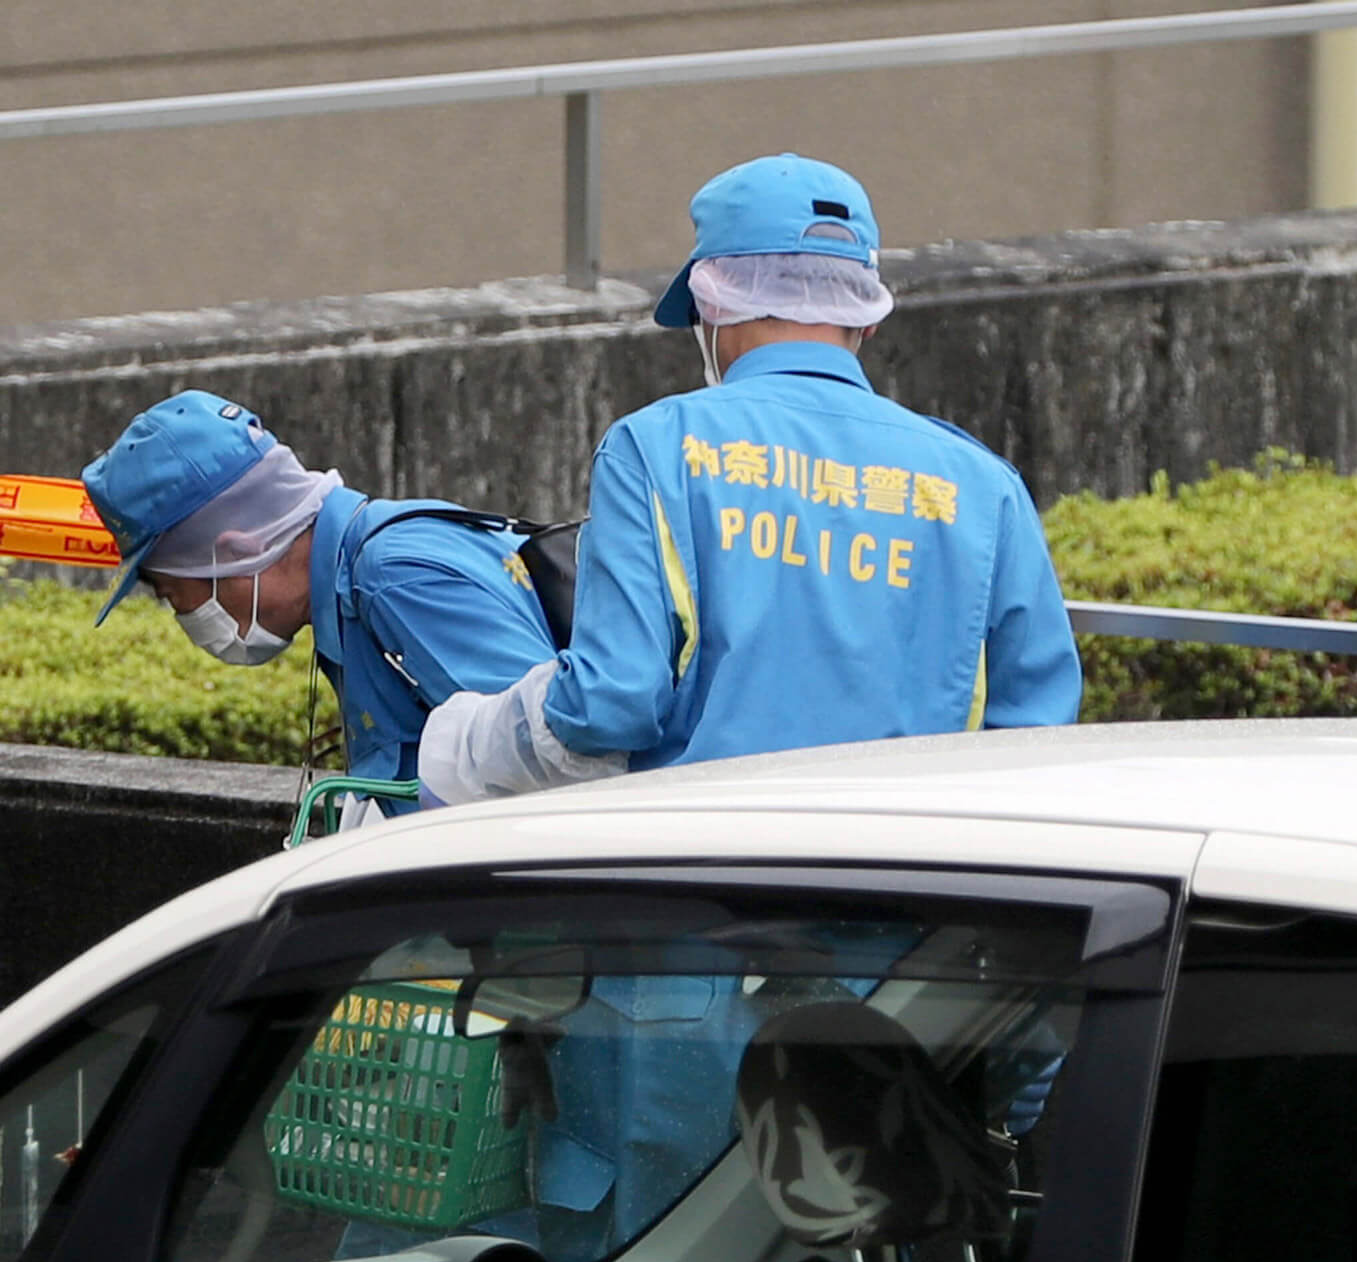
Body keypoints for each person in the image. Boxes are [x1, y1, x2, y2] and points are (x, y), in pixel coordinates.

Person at [416, 151, 1082, 805]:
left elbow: (611, 701)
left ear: (712, 305)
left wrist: (474, 739)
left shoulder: (656, 449)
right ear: (868, 317)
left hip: (704, 882)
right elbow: (1034, 736)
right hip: (911, 890)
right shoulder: (982, 487)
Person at [82, 390, 557, 811]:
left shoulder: (392, 577)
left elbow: (555, 747)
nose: (181, 615)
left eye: (171, 593)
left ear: (234, 553)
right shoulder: (350, 593)